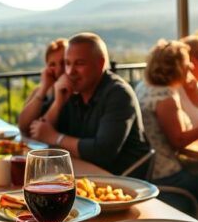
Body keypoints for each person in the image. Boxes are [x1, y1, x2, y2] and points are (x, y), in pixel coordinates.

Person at [29, 32, 150, 175]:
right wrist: (58, 102)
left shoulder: (119, 94)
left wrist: (56, 138)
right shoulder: (72, 91)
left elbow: (101, 153)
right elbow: (38, 132)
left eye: (79, 63)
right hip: (84, 174)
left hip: (121, 182)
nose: (70, 72)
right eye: (68, 63)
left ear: (100, 63)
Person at [135, 40, 198, 214]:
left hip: (146, 169)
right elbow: (178, 141)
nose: (190, 66)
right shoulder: (165, 98)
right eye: (187, 62)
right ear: (178, 66)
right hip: (164, 174)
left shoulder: (144, 87)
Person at [17, 38, 67, 133]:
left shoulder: (75, 93)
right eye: (52, 64)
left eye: (63, 63)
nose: (59, 69)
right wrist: (43, 88)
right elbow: (23, 126)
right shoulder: (39, 91)